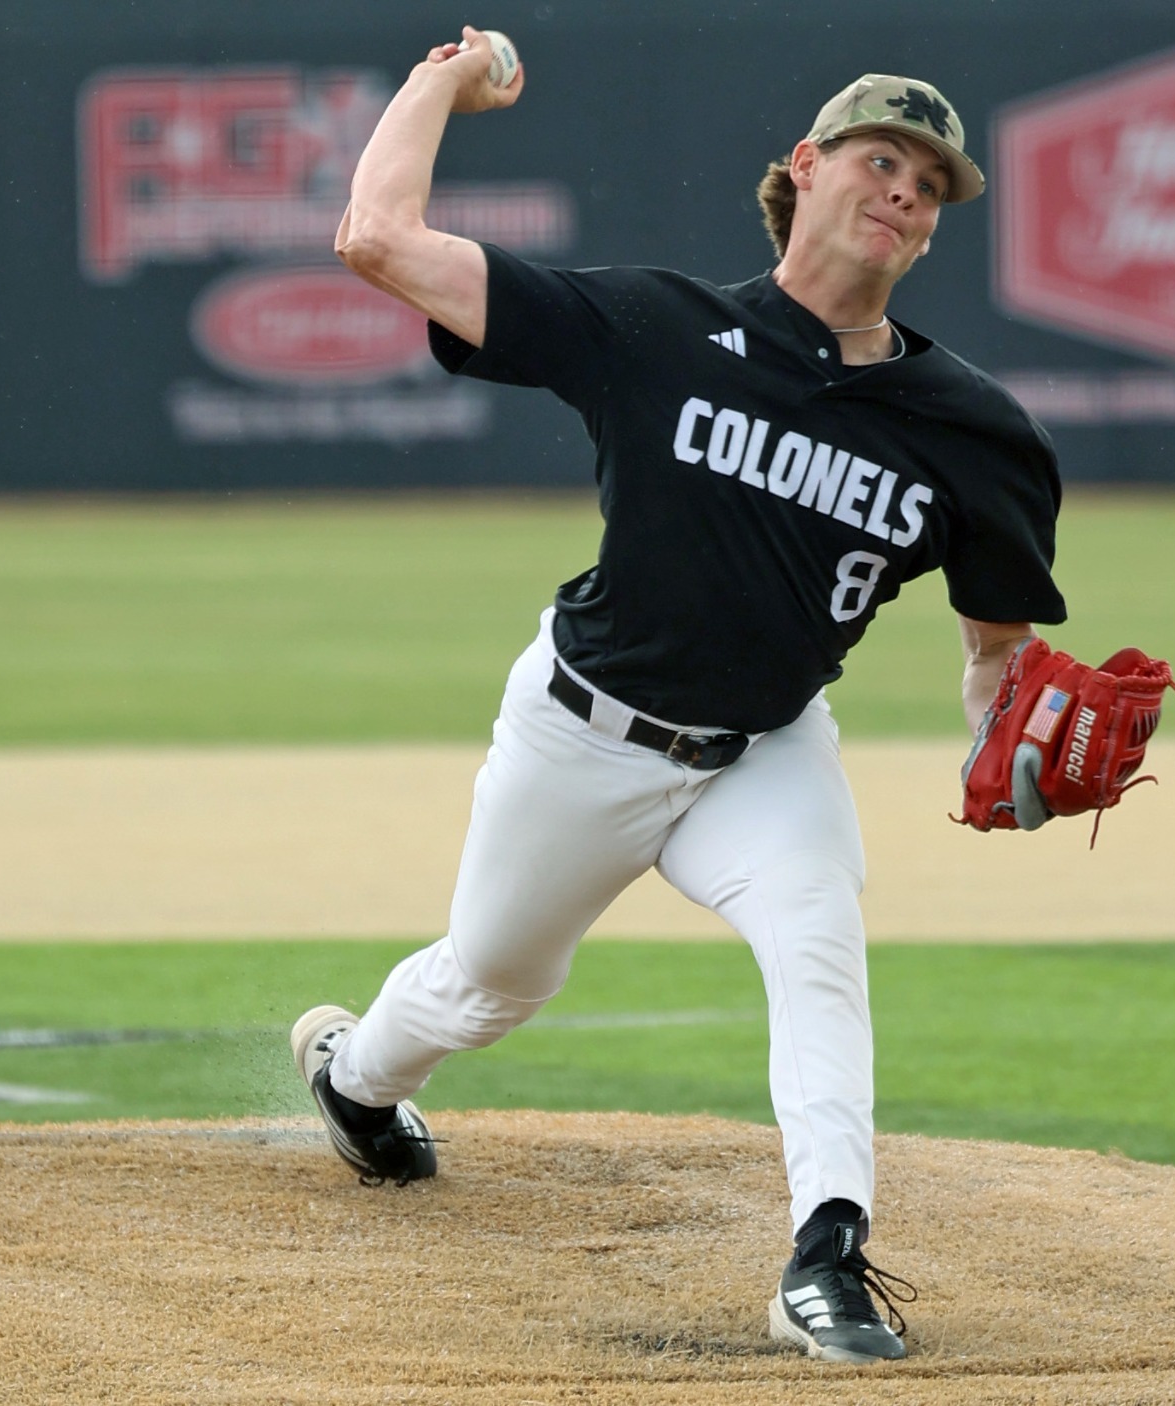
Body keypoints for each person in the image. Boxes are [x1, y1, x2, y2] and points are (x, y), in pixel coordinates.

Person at [290, 28, 1065, 1366]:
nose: (906, 193)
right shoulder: (655, 331)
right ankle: (357, 1079)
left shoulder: (974, 431)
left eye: (931, 187)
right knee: (489, 984)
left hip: (763, 753)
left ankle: (826, 1253)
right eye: (883, 161)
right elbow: (375, 237)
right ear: (807, 169)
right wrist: (439, 79)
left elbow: (995, 642)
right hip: (581, 731)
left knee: (819, 937)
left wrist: (1010, 738)